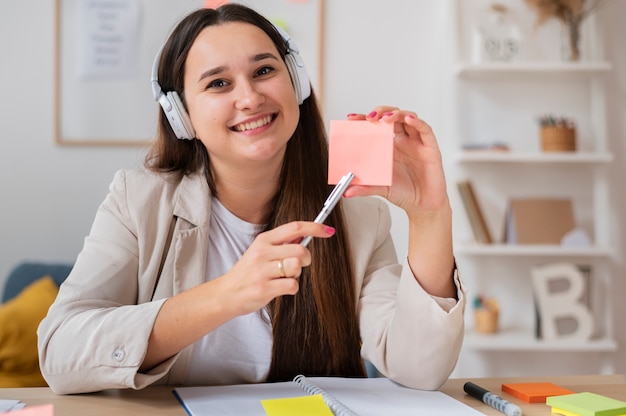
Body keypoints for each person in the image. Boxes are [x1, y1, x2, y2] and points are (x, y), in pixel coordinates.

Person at [37, 3, 466, 395]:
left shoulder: (358, 213)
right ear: (181, 115)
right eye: (218, 83)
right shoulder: (138, 200)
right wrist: (226, 295)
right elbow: (60, 353)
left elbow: (419, 370)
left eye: (263, 71)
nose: (249, 97)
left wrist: (429, 214)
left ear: (295, 82)